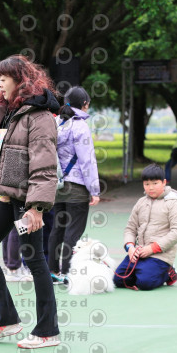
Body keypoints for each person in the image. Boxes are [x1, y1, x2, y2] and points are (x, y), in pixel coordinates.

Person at [0, 54, 60, 349]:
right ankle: (5, 319)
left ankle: (47, 331)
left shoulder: (40, 117)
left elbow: (45, 168)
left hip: (26, 202)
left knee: (34, 260)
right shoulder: (6, 112)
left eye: (3, 78)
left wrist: (36, 208)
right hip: (4, 198)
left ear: (20, 80)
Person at [47, 86, 100, 284]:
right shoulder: (80, 126)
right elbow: (87, 161)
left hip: (58, 185)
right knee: (74, 230)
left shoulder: (56, 123)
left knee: (57, 228)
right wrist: (94, 189)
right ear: (84, 104)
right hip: (77, 186)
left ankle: (52, 271)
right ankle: (68, 271)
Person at [113, 164, 177, 291]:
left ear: (164, 182)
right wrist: (130, 247)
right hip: (139, 252)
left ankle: (168, 272)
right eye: (146, 184)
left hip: (160, 255)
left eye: (155, 183)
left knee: (145, 283)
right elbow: (130, 228)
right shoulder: (141, 202)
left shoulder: (174, 204)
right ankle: (144, 270)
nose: (150, 187)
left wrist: (152, 248)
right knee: (118, 280)